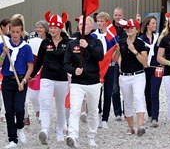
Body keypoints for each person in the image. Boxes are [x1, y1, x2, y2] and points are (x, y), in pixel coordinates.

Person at [64, 15, 104, 148]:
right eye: (81, 24)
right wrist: (74, 71)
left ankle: (91, 136)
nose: (82, 26)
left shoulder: (96, 42)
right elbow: (66, 64)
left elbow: (100, 56)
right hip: (77, 82)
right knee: (75, 109)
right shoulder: (72, 43)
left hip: (93, 82)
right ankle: (73, 136)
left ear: (92, 27)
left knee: (93, 111)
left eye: (86, 24)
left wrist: (88, 47)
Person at [30, 12, 70, 145]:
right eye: (51, 27)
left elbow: (72, 60)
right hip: (47, 77)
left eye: (55, 27)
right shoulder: (45, 43)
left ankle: (60, 130)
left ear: (60, 28)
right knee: (45, 104)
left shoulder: (68, 42)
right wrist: (31, 75)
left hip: (62, 78)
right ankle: (45, 130)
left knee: (60, 106)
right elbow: (39, 61)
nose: (52, 30)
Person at [0, 18, 34, 148]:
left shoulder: (26, 47)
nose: (14, 34)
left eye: (17, 32)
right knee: (9, 111)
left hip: (21, 80)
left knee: (19, 108)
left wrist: (24, 80)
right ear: (9, 31)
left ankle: (20, 127)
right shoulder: (4, 45)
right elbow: (0, 64)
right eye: (12, 31)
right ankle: (12, 139)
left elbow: (30, 66)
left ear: (21, 32)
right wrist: (3, 54)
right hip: (7, 81)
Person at [113, 19, 148, 136]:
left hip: (138, 75)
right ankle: (130, 126)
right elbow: (114, 59)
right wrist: (117, 51)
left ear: (137, 30)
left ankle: (140, 125)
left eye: (132, 27)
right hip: (124, 76)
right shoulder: (121, 42)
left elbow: (145, 62)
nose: (129, 29)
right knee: (127, 102)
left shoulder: (140, 43)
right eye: (127, 27)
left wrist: (134, 50)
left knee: (138, 98)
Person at [91, 12, 117, 129]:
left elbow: (116, 50)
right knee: (96, 92)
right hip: (97, 68)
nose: (100, 23)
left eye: (103, 21)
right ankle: (97, 114)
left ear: (107, 22)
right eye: (99, 21)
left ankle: (105, 118)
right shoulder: (93, 36)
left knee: (108, 92)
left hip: (110, 67)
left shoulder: (112, 36)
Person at [139, 15, 162, 127]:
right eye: (153, 23)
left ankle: (155, 117)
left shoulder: (159, 37)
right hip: (145, 69)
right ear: (147, 25)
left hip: (157, 68)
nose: (155, 25)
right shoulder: (141, 39)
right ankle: (150, 113)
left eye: (156, 23)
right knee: (147, 92)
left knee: (154, 92)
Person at [27, 20, 49, 122]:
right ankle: (38, 110)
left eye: (41, 27)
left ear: (46, 28)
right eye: (37, 27)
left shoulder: (49, 40)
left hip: (46, 68)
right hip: (34, 67)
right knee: (32, 95)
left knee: (43, 94)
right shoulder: (32, 39)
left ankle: (43, 114)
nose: (39, 29)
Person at [112, 7, 126, 120]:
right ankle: (117, 113)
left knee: (126, 88)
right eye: (116, 15)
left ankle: (127, 110)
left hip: (126, 60)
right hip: (114, 60)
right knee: (115, 88)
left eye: (119, 15)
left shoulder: (127, 27)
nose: (118, 17)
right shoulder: (110, 28)